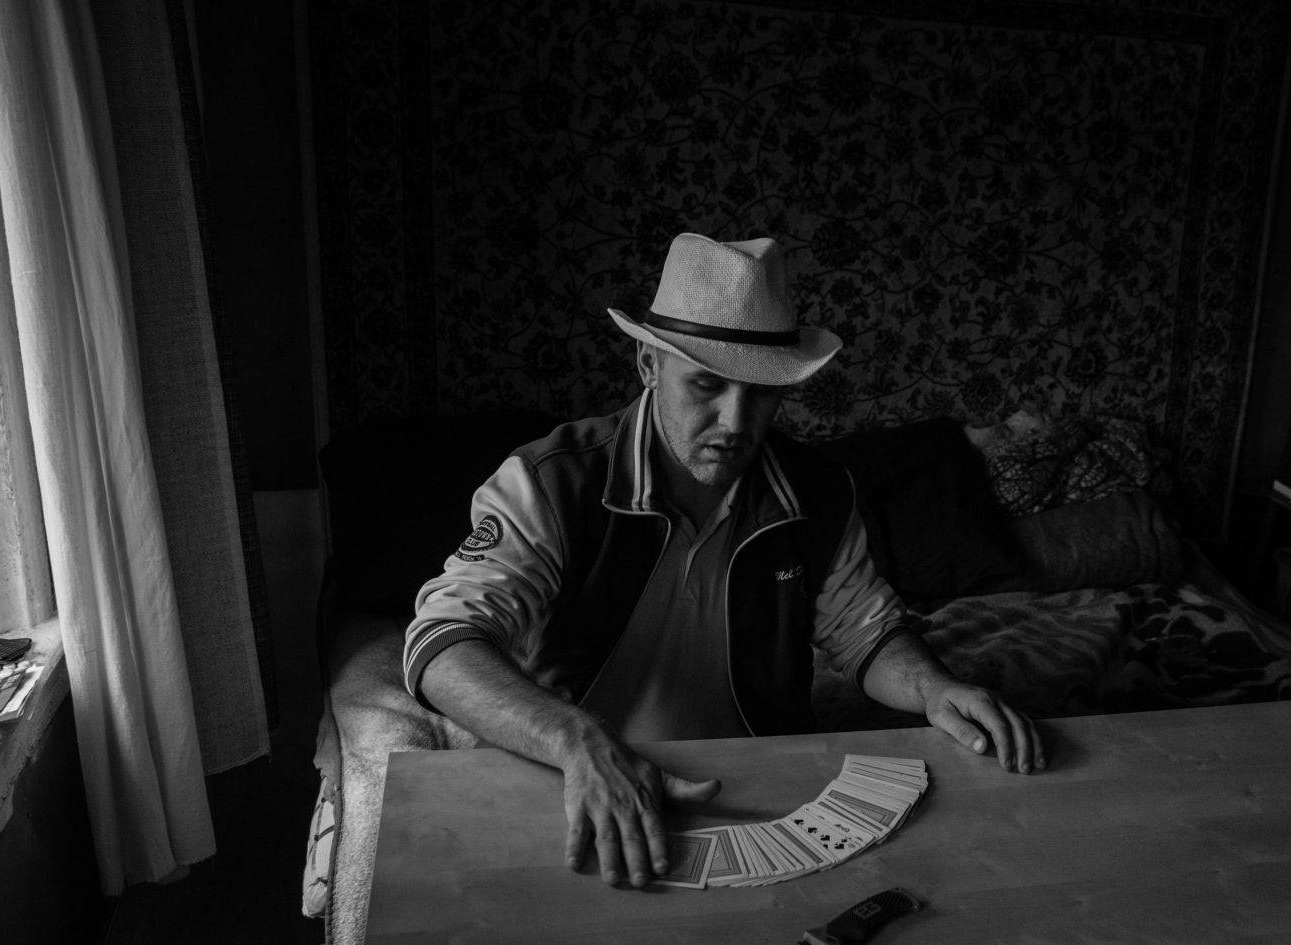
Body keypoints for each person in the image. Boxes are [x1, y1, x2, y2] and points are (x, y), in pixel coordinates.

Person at [403, 232, 1046, 890]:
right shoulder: (550, 482)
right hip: (574, 780)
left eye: (761, 393)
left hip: (757, 789)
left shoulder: (820, 492)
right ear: (648, 364)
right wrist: (576, 740)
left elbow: (867, 633)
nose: (736, 421)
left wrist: (934, 688)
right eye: (707, 385)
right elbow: (441, 645)